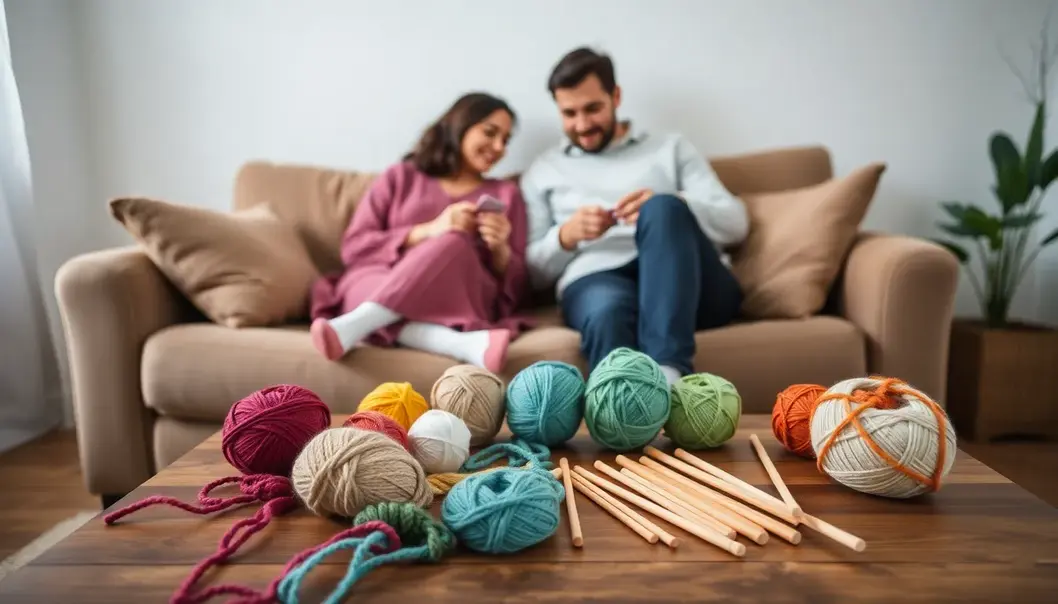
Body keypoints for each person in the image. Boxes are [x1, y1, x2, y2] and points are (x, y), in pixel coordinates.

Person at [520, 47, 749, 387]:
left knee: (662, 208)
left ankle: (669, 376)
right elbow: (532, 275)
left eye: (592, 108)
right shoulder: (542, 172)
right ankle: (620, 421)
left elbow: (736, 223)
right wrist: (565, 236)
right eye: (569, 113)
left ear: (616, 96)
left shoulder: (670, 148)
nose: (582, 125)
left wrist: (673, 204)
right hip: (598, 279)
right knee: (606, 314)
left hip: (690, 282)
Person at [309, 92, 531, 372]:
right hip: (380, 275)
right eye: (490, 132)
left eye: (506, 140)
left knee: (454, 240)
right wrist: (429, 230)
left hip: (458, 293)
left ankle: (356, 324)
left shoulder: (506, 194)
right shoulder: (400, 176)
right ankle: (466, 346)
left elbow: (521, 287)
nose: (499, 146)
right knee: (364, 285)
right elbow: (354, 247)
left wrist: (500, 249)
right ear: (460, 125)